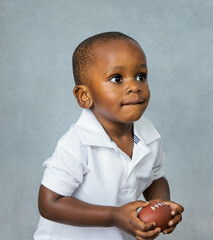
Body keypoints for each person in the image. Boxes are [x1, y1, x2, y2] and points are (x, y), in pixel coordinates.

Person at [34, 32, 183, 240]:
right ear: (85, 96)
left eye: (141, 76)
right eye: (117, 78)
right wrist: (114, 216)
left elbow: (155, 178)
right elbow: (49, 204)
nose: (134, 87)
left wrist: (161, 205)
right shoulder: (77, 143)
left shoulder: (149, 134)